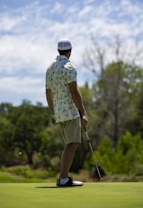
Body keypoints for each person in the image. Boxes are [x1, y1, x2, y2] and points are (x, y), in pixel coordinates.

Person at [45, 39, 88, 187]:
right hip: (70, 112)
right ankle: (63, 178)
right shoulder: (69, 67)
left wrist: (53, 112)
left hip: (59, 114)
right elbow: (75, 92)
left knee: (69, 144)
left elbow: (48, 93)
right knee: (72, 143)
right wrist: (83, 112)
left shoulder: (50, 68)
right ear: (70, 51)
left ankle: (63, 177)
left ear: (58, 51)